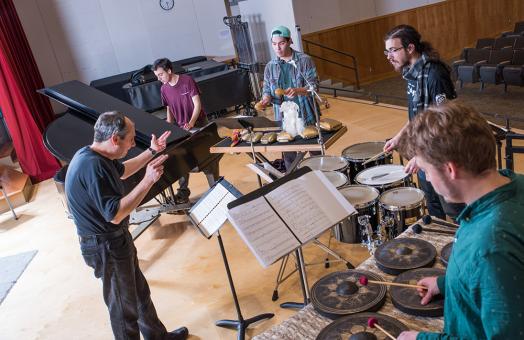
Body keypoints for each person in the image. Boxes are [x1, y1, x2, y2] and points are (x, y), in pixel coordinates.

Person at [395, 102, 524, 340]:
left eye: (425, 171)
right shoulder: (515, 184)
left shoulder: (490, 248)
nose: (428, 180)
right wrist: (449, 284)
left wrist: (422, 339)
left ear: (450, 169)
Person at [65, 111, 188, 340]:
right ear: (114, 139)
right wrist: (148, 180)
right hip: (105, 245)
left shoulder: (95, 155)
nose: (132, 144)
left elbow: (123, 171)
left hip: (114, 240)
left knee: (140, 294)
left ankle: (157, 337)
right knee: (123, 309)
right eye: (130, 139)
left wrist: (151, 152)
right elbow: (116, 214)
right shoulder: (93, 167)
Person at [382, 24, 465, 220]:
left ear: (410, 48)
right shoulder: (412, 74)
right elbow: (419, 116)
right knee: (434, 209)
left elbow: (446, 124)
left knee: (455, 212)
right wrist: (398, 137)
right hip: (422, 154)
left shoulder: (434, 75)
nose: (388, 56)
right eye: (386, 51)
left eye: (393, 50)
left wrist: (423, 158)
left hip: (442, 158)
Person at [259, 25, 320, 170]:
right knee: (289, 154)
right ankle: (293, 182)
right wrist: (266, 98)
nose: (277, 48)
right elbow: (267, 89)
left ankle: (320, 178)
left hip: (306, 113)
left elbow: (314, 88)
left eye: (281, 43)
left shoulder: (304, 60)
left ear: (290, 41)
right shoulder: (270, 66)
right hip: (284, 116)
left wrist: (298, 90)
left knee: (315, 152)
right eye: (274, 44)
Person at [152, 57, 208, 203]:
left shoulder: (187, 81)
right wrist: (168, 126)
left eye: (161, 75)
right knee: (181, 158)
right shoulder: (164, 88)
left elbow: (197, 105)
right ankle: (183, 192)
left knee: (206, 159)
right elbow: (169, 109)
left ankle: (215, 187)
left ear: (169, 70)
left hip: (199, 123)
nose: (159, 78)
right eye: (157, 76)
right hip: (182, 128)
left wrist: (191, 123)